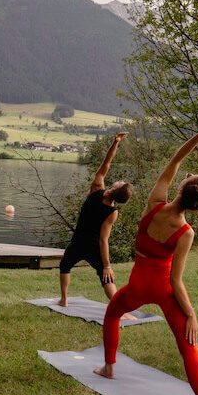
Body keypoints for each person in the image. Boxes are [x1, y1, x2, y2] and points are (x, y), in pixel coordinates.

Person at [95, 127, 198, 395]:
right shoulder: (186, 232)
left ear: (182, 188)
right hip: (162, 289)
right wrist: (192, 314)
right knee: (188, 344)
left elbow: (174, 161)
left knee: (112, 314)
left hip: (137, 285)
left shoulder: (154, 202)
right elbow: (175, 281)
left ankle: (109, 367)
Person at [58, 132, 133, 307]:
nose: (119, 180)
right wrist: (107, 265)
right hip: (93, 247)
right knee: (106, 276)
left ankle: (64, 300)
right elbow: (103, 240)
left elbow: (106, 163)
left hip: (78, 242)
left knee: (65, 266)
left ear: (115, 188)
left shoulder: (97, 187)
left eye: (120, 182)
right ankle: (118, 309)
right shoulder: (112, 212)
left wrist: (116, 142)